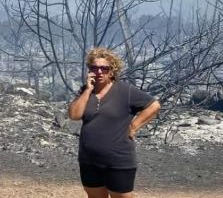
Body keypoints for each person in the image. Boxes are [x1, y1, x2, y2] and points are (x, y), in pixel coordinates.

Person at [68, 47, 161, 198]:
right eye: (94, 68)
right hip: (89, 160)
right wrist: (87, 90)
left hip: (119, 161)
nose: (99, 72)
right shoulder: (85, 91)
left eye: (104, 68)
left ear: (112, 70)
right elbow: (74, 115)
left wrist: (134, 126)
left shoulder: (126, 91)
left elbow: (154, 105)